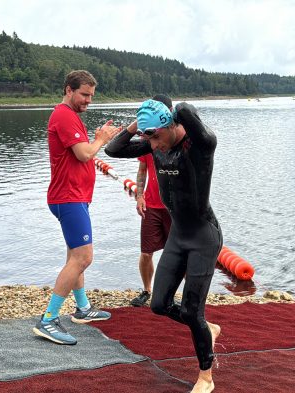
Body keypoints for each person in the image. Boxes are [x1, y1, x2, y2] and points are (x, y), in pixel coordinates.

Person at [106, 99, 222, 393]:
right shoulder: (154, 144)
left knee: (194, 312)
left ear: (172, 125)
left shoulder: (199, 147)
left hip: (203, 237)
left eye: (156, 136)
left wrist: (171, 112)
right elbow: (113, 149)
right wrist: (139, 124)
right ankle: (207, 330)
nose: (153, 145)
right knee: (159, 305)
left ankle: (206, 377)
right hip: (179, 236)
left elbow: (186, 110)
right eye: (149, 138)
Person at [33, 70, 121, 345]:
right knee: (83, 258)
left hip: (75, 197)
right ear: (69, 90)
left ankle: (82, 308)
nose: (88, 101)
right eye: (84, 95)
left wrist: (95, 139)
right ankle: (48, 319)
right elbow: (84, 153)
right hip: (67, 197)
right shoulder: (63, 114)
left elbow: (81, 151)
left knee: (75, 256)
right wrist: (102, 139)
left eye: (91, 96)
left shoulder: (72, 117)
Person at [130, 95, 173, 307]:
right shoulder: (147, 140)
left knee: (177, 253)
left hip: (174, 209)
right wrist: (139, 196)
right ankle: (147, 290)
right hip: (152, 205)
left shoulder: (175, 139)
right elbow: (142, 170)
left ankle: (174, 293)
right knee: (146, 252)